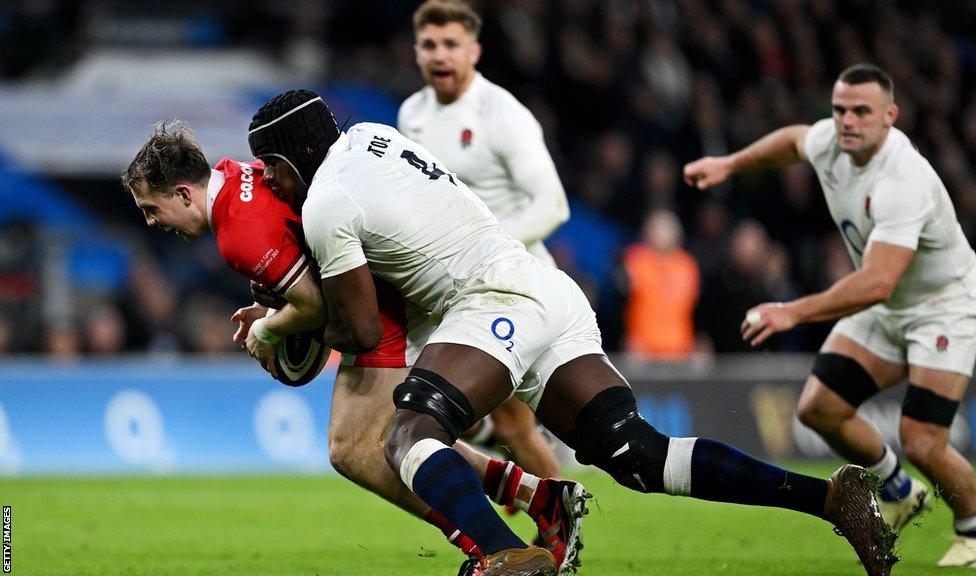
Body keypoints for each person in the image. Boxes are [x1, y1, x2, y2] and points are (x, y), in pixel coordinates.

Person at [248, 89, 897, 576]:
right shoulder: (368, 135)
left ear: (292, 154)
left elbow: (361, 329)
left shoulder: (327, 200)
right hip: (546, 287)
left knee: (410, 432)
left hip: (493, 299)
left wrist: (283, 329)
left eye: (269, 166)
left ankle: (503, 556)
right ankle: (831, 499)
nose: (269, 181)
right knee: (639, 454)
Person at [121, 121, 584, 574]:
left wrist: (269, 331)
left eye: (150, 208)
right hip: (383, 289)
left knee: (355, 449)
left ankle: (494, 546)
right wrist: (271, 311)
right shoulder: (237, 174)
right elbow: (298, 264)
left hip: (379, 309)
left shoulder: (235, 233)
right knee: (388, 443)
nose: (150, 221)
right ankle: (536, 498)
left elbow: (313, 305)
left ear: (183, 194)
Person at [683, 63, 976, 568]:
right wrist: (730, 164)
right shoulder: (832, 140)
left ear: (890, 117)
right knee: (819, 408)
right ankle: (899, 490)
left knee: (921, 438)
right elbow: (793, 141)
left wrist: (793, 311)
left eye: (862, 111)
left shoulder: (903, 179)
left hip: (945, 307)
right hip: (889, 305)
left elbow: (877, 281)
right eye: (840, 109)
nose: (847, 121)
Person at [398, 0, 569, 484]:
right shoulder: (412, 114)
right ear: (416, 51)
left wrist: (485, 247)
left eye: (451, 44)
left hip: (514, 285)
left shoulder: (503, 115)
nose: (439, 55)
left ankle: (554, 511)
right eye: (429, 45)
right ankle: (548, 505)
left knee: (498, 421)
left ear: (474, 51)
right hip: (453, 289)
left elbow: (553, 203)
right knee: (486, 419)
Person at [620, 209, 701, 359]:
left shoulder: (687, 265)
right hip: (643, 350)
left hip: (681, 349)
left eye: (667, 229)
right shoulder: (636, 260)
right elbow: (621, 298)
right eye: (657, 229)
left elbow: (697, 307)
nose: (662, 235)